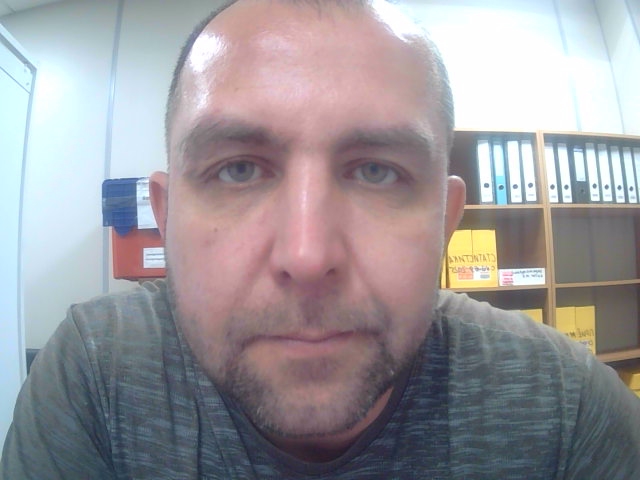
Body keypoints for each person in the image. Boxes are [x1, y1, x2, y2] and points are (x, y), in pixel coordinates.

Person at [2, 0, 639, 478]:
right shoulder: (96, 374)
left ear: (445, 223)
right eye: (238, 169)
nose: (307, 257)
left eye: (376, 172)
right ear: (165, 220)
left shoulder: (567, 410)